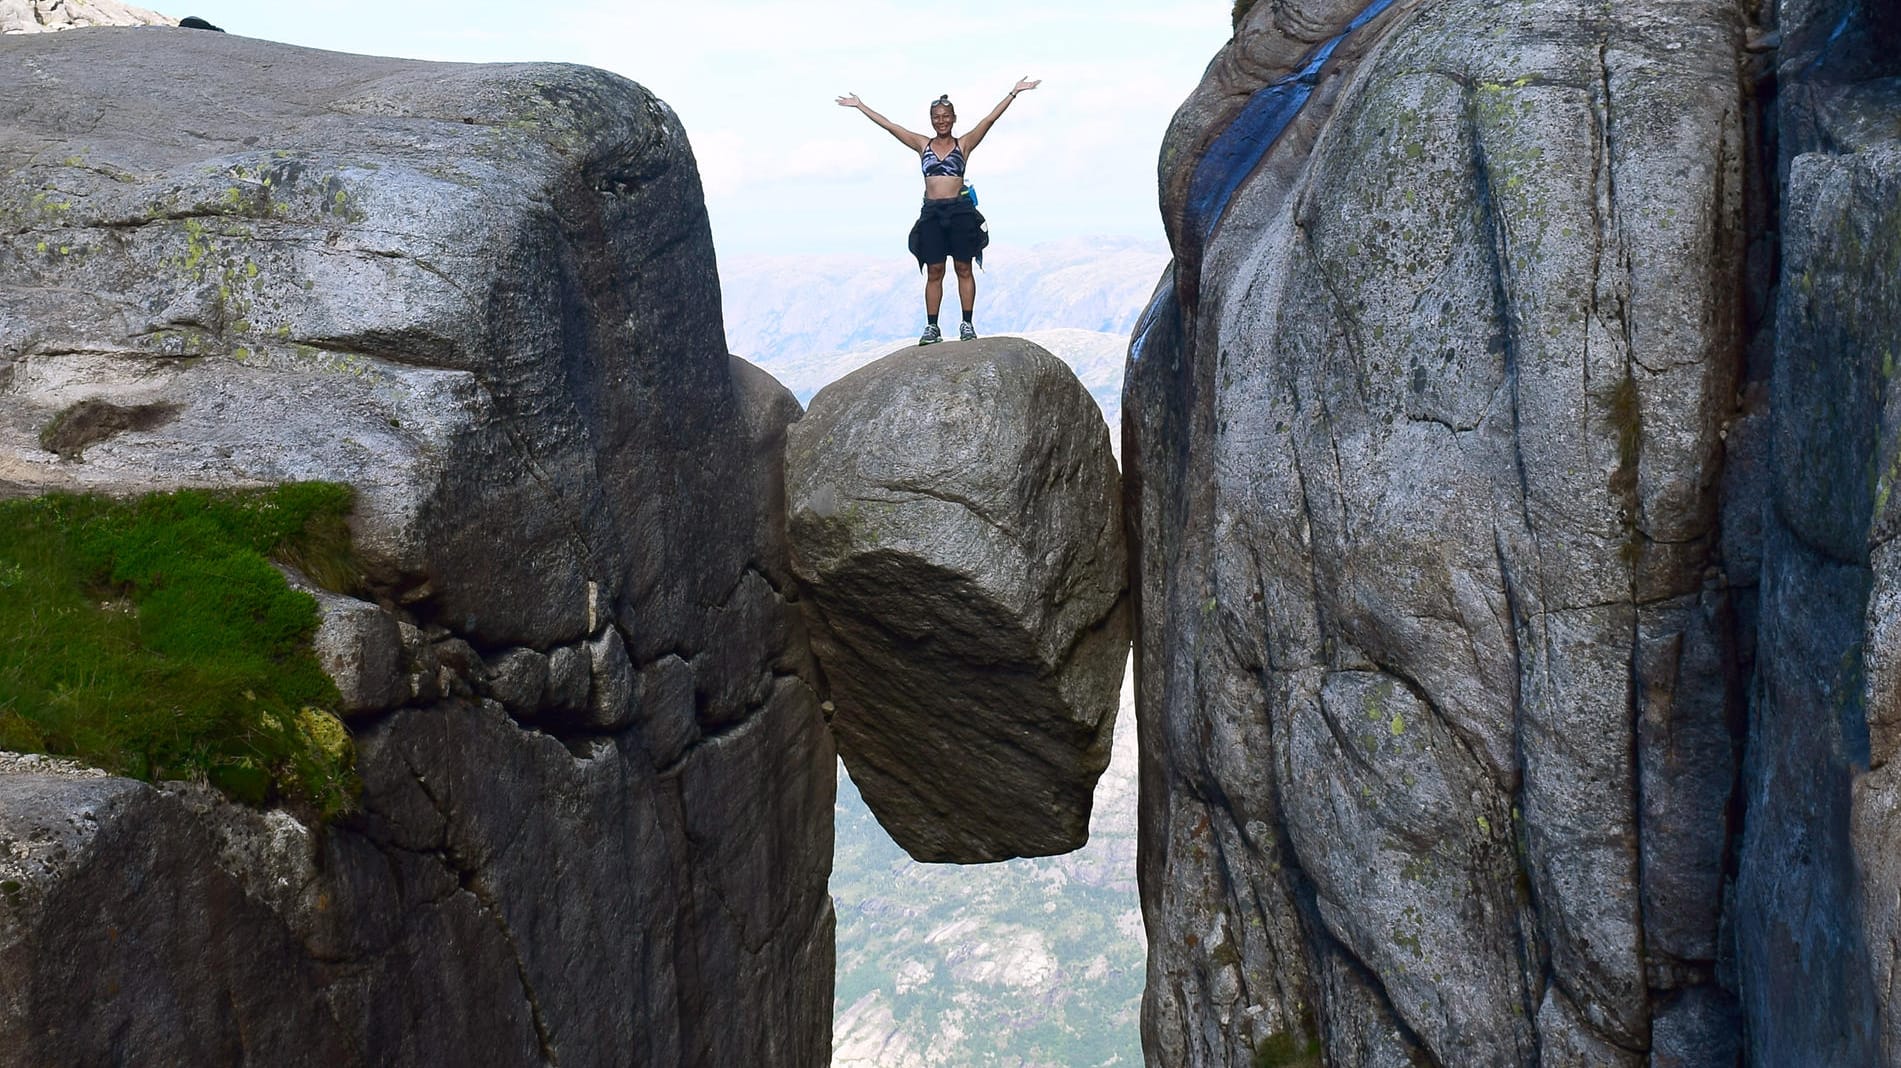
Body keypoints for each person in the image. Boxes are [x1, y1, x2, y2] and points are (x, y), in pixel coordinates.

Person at [836, 78, 1040, 344]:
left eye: (945, 116)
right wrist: (861, 106)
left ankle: (967, 324)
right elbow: (890, 126)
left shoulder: (963, 144)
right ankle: (932, 327)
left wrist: (1013, 93)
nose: (941, 121)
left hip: (960, 212)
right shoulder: (923, 145)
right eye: (936, 117)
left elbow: (989, 120)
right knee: (934, 271)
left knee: (963, 268)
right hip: (932, 213)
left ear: (953, 118)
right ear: (931, 120)